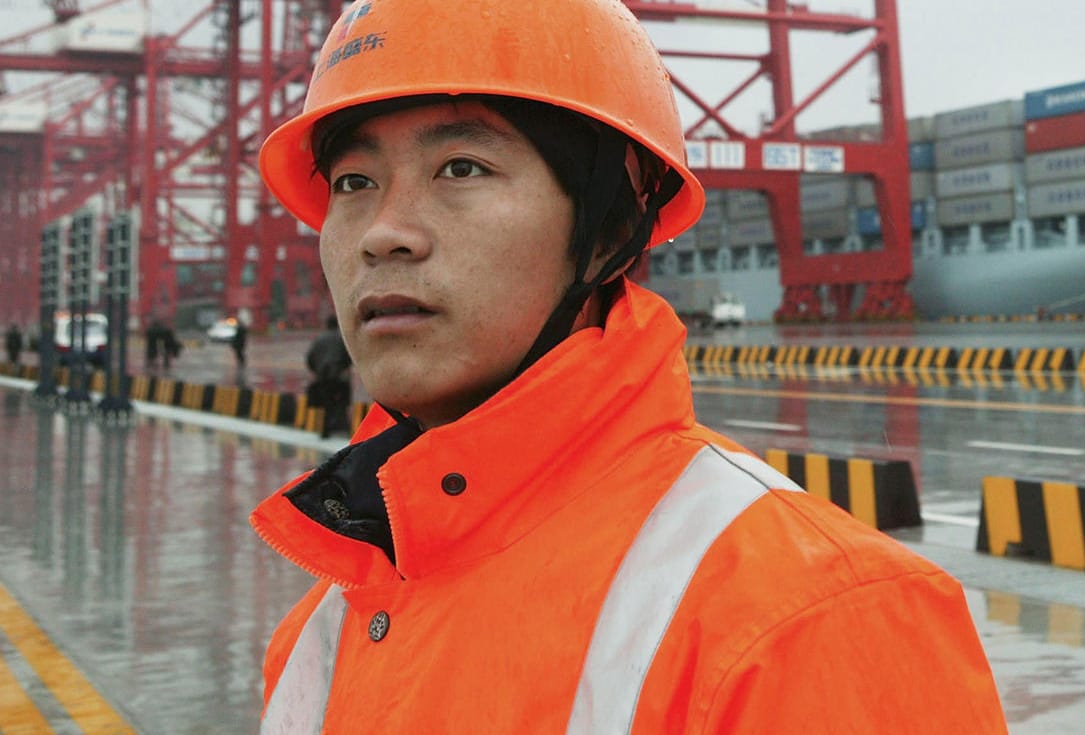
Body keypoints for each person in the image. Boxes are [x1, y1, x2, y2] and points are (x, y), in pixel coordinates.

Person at [249, 1, 1007, 732]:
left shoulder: (813, 616)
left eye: (462, 167)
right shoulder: (313, 635)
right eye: (353, 182)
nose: (384, 233)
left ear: (611, 228)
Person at [305, 315, 352, 437]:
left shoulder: (318, 340)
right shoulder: (342, 338)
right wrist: (344, 367)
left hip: (323, 377)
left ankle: (325, 431)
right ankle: (346, 430)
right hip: (340, 377)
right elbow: (349, 356)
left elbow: (310, 358)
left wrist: (316, 371)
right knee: (343, 403)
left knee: (326, 404)